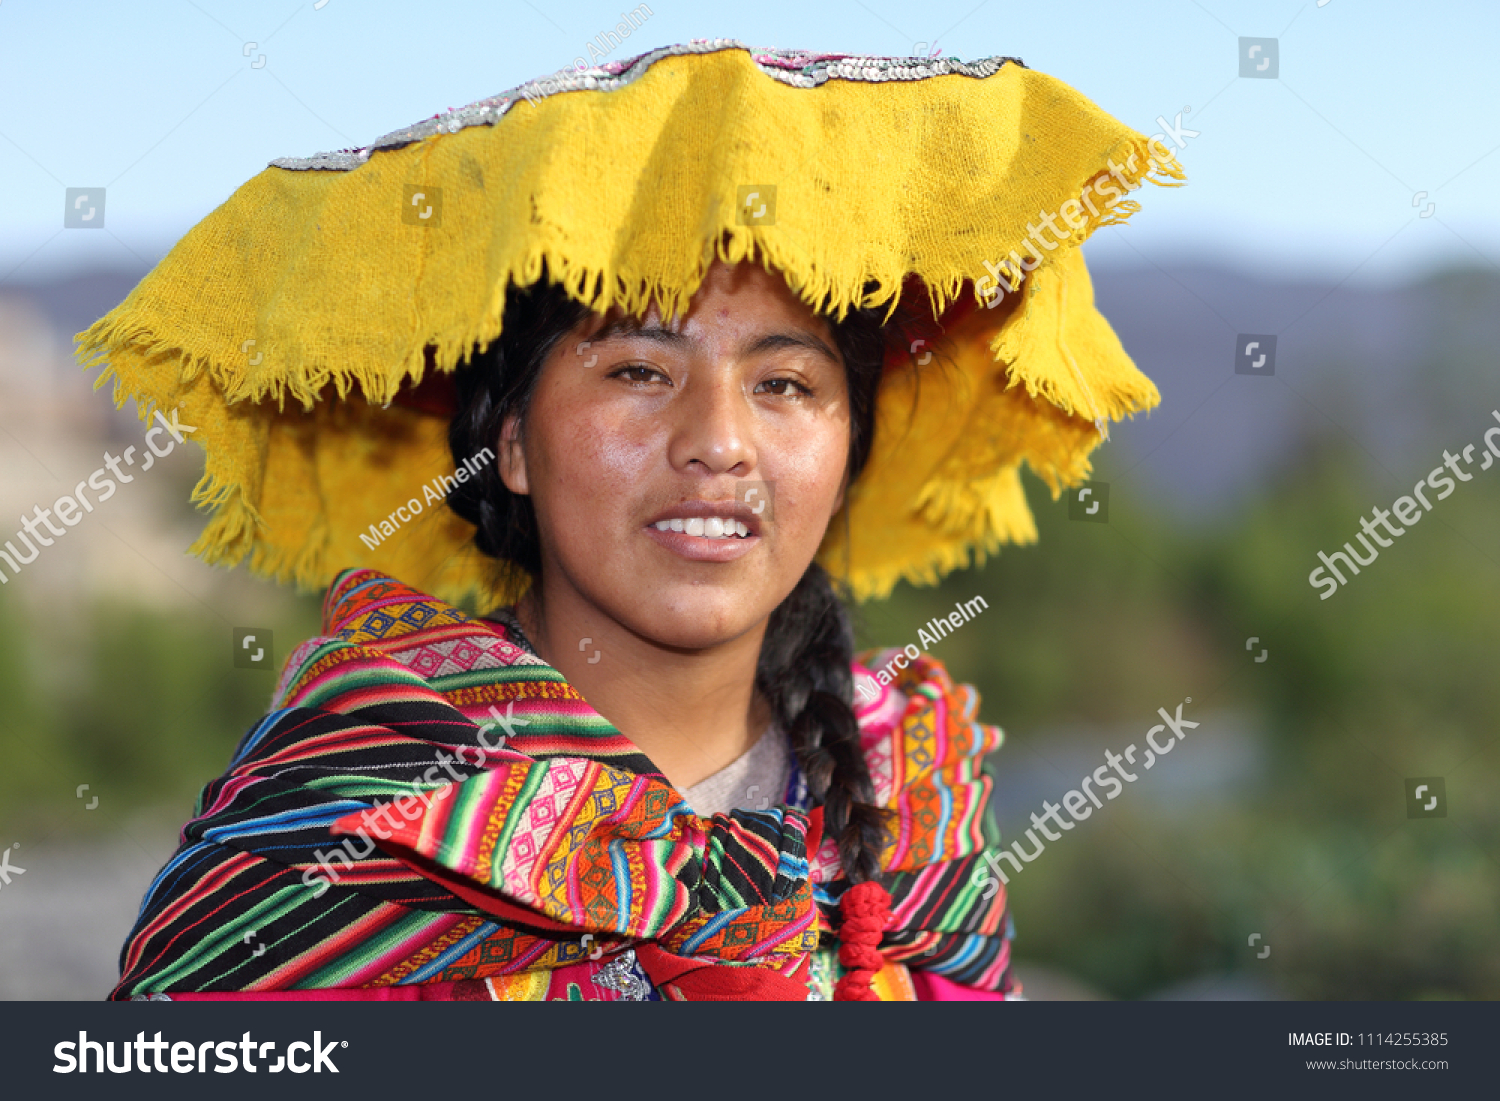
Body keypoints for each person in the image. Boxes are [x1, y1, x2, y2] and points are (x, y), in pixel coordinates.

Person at [83, 42, 1179, 1001]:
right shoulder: (364, 803)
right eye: (640, 369)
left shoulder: (912, 800)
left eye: (787, 385)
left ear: (849, 456)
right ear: (509, 442)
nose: (719, 442)